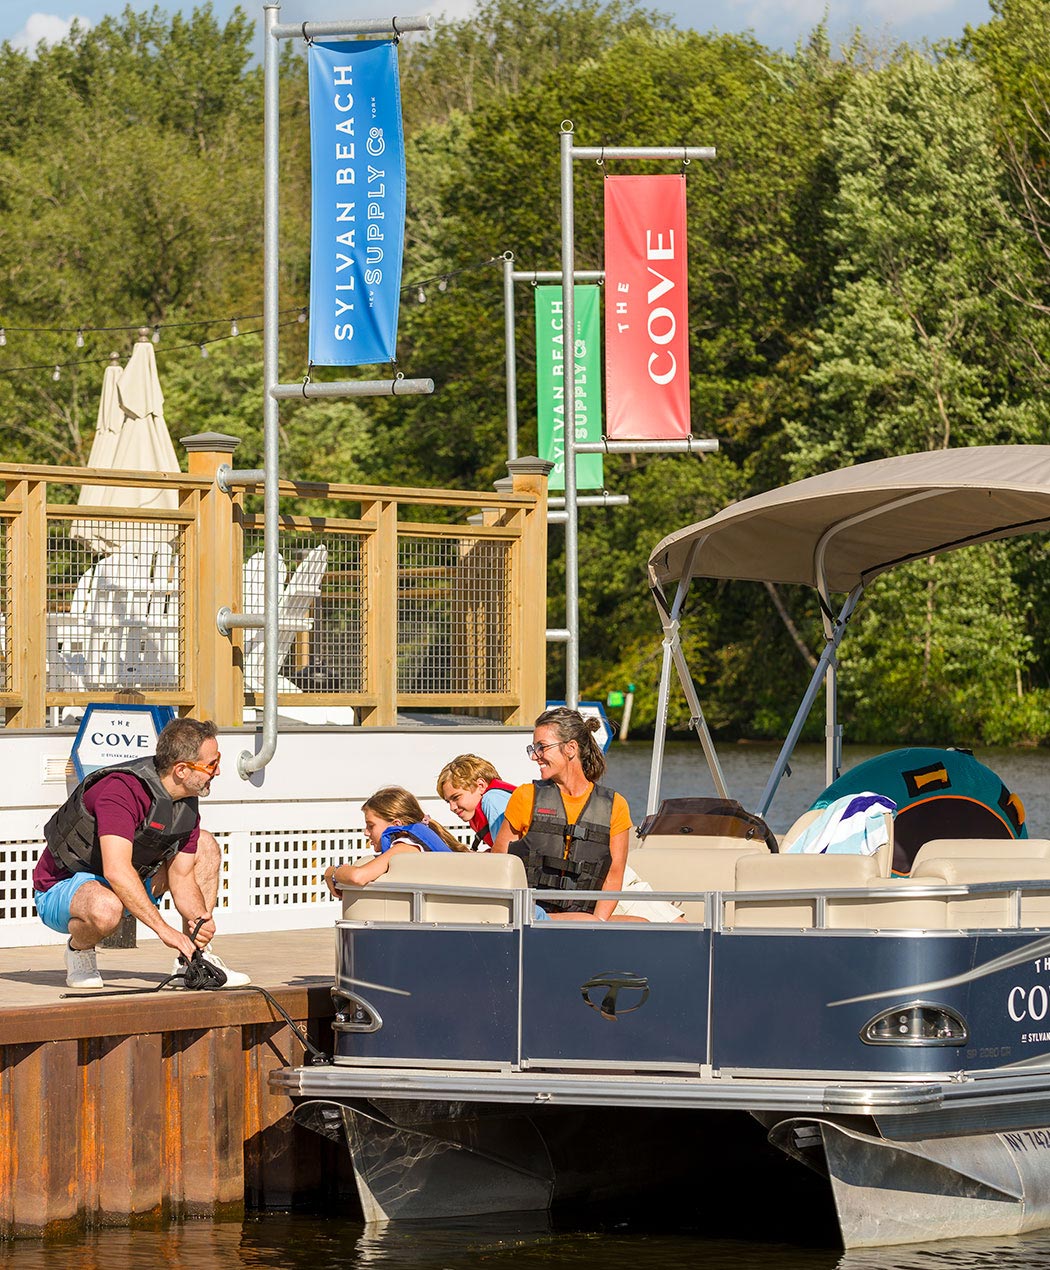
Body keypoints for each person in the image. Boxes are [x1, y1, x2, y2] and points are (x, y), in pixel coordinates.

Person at [33, 718, 250, 989]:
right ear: (181, 770)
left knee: (206, 846)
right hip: (63, 887)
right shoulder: (120, 792)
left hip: (125, 881)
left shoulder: (186, 799)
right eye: (211, 765)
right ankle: (79, 950)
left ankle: (192, 960)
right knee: (105, 908)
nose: (217, 772)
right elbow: (117, 870)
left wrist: (198, 919)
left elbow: (182, 876)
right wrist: (165, 930)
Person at [323, 786, 468, 895]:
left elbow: (358, 877)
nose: (366, 832)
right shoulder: (412, 843)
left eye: (371, 826)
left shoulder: (406, 847)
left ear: (396, 824)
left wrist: (333, 872)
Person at [436, 754, 516, 851]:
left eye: (456, 797)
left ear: (481, 786)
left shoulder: (492, 799)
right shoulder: (476, 811)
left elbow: (506, 853)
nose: (452, 808)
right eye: (448, 802)